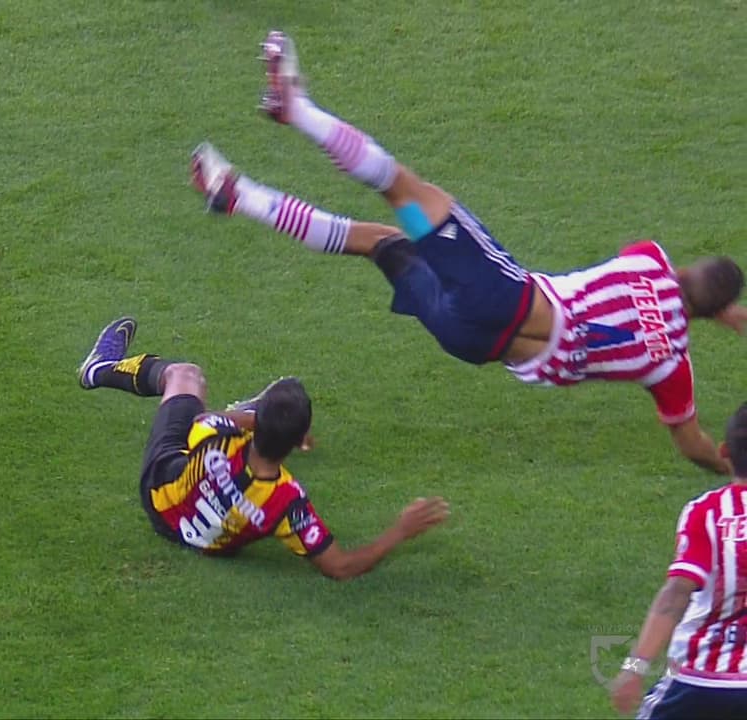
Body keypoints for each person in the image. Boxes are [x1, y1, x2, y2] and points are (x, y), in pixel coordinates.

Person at [189, 30, 746, 474]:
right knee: (378, 242)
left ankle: (296, 109)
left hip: (495, 291)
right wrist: (732, 469)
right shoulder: (671, 365)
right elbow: (690, 441)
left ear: (687, 270)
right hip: (467, 335)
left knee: (400, 188)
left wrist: (716, 307)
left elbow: (663, 286)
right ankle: (237, 196)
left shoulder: (649, 260)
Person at [77, 315, 449, 578]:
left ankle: (99, 369)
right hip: (204, 541)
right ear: (297, 443)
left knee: (185, 376)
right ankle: (263, 416)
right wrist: (400, 530)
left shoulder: (219, 437)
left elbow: (201, 418)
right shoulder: (287, 501)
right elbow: (340, 567)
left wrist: (255, 419)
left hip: (160, 491)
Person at [609, 403, 747, 718]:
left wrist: (634, 667)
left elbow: (675, 594)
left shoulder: (706, 512)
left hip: (697, 681)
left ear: (724, 452)